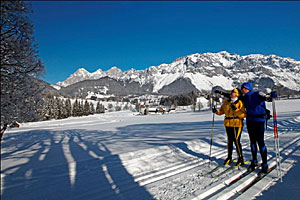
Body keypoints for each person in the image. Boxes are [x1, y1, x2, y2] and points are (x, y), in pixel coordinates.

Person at [240, 82, 277, 173]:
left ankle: (264, 164)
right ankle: (254, 160)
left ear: (247, 88)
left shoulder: (257, 93)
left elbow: (266, 98)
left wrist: (271, 96)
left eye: (243, 88)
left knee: (260, 142)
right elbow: (232, 97)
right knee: (252, 141)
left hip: (259, 121)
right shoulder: (244, 97)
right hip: (250, 121)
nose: (242, 90)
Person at [212, 88, 246, 166]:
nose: (231, 93)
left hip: (237, 123)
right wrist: (216, 111)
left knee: (236, 140)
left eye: (234, 92)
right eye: (231, 92)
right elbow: (222, 111)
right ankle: (229, 157)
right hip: (228, 123)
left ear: (237, 94)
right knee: (230, 141)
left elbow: (244, 114)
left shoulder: (240, 103)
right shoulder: (226, 102)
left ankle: (240, 158)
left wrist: (236, 110)